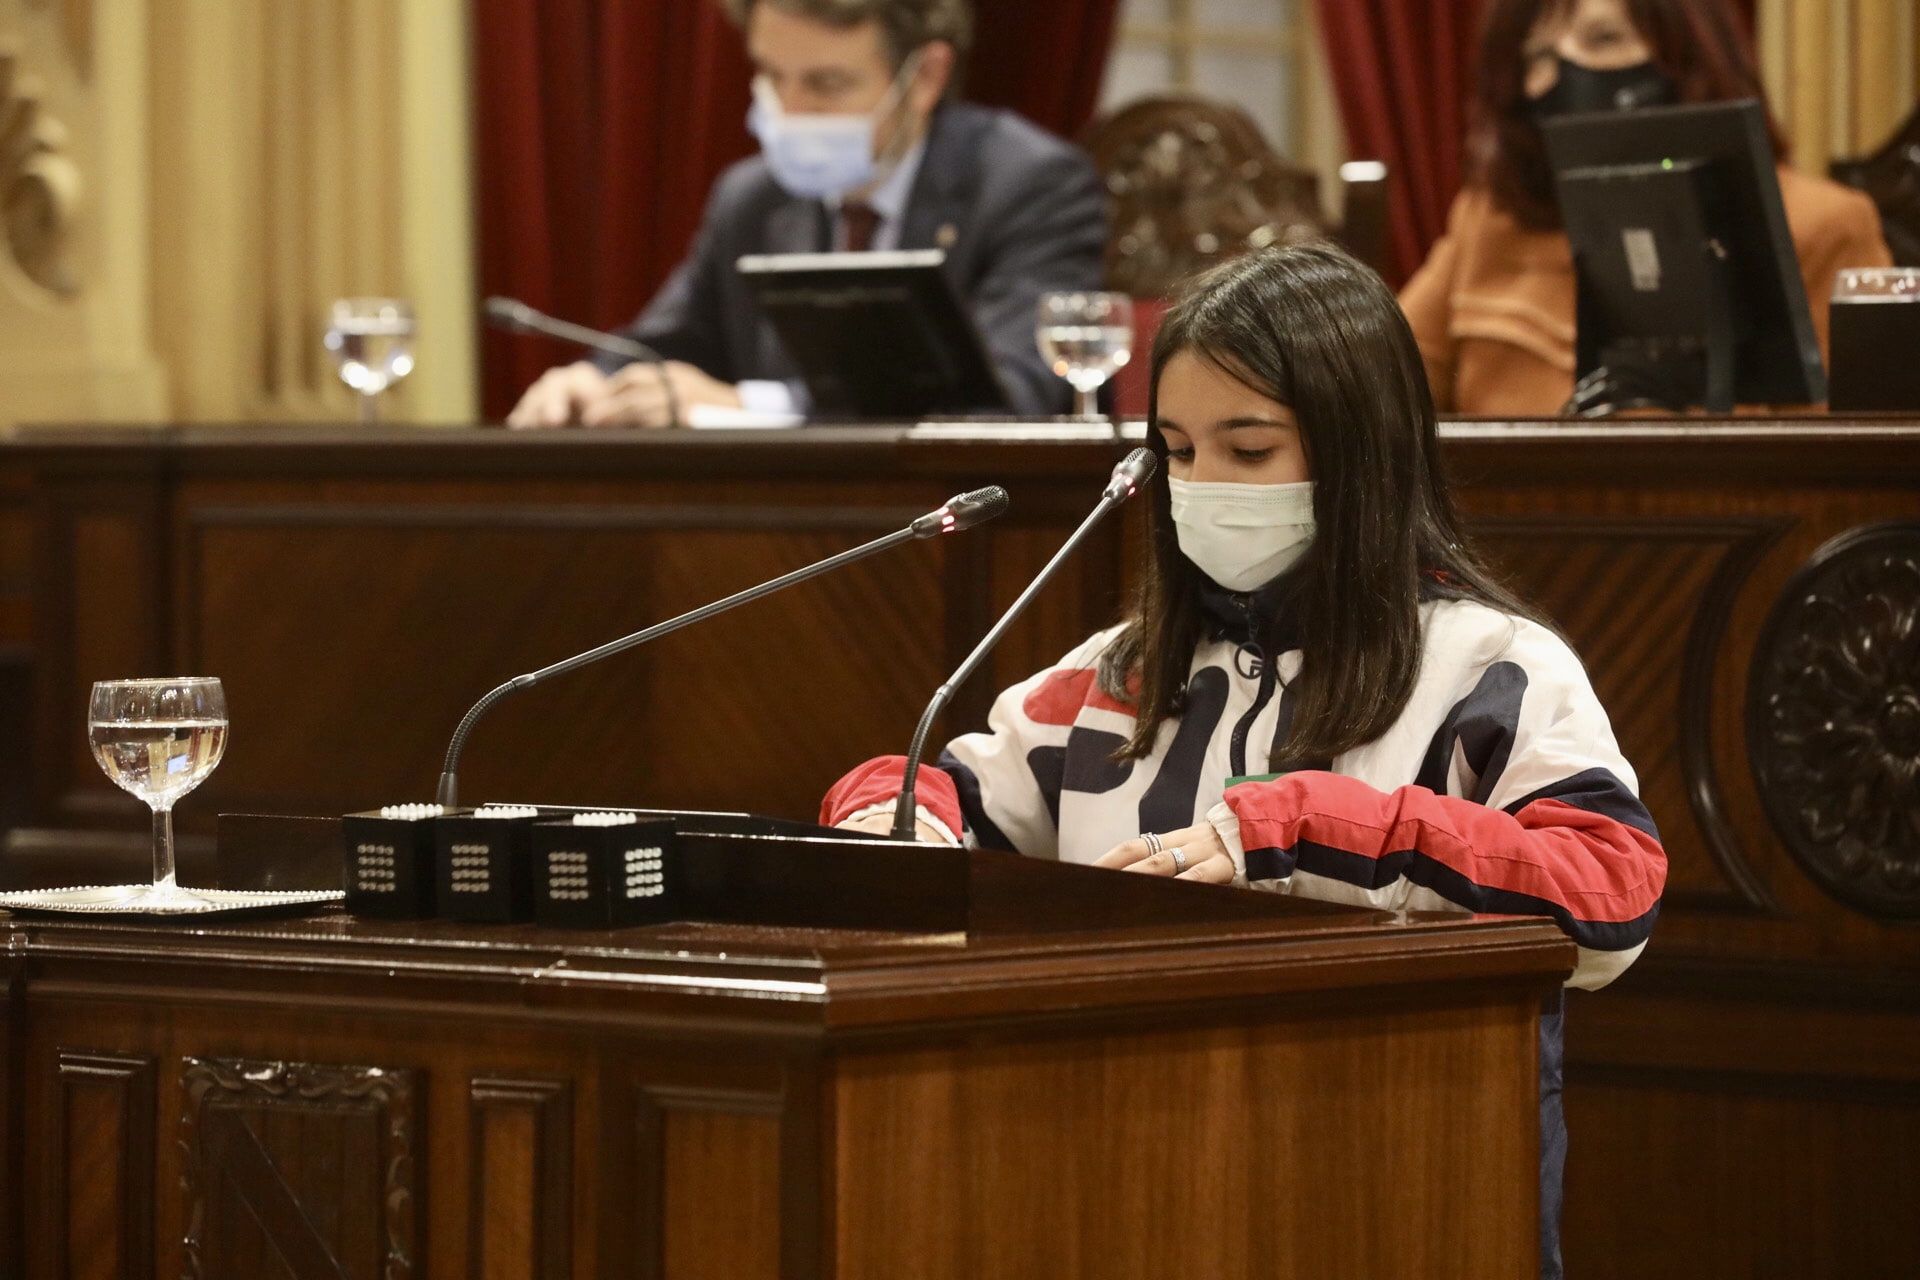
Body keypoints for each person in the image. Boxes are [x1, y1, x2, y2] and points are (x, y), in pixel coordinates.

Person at [820, 243, 1667, 1280]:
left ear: (1361, 453)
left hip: (1399, 1180)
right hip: (1128, 1177)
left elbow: (1611, 896)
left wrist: (1308, 823)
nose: (1200, 486)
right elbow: (939, 788)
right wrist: (886, 822)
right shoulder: (1121, 670)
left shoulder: (1490, 666)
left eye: (1249, 449)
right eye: (1175, 450)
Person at [507, 0, 1107, 428]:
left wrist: (754, 405)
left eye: (826, 82)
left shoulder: (1031, 185)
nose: (791, 111)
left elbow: (1012, 398)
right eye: (772, 75)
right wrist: (595, 382)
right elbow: (670, 341)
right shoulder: (752, 196)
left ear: (925, 76)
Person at [1400, 0, 1893, 416]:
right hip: (1508, 520)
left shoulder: (1824, 224)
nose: (1565, 73)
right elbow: (1383, 380)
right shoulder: (1492, 218)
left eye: (1605, 39)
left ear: (1688, 52)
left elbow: (1845, 463)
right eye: (1539, 56)